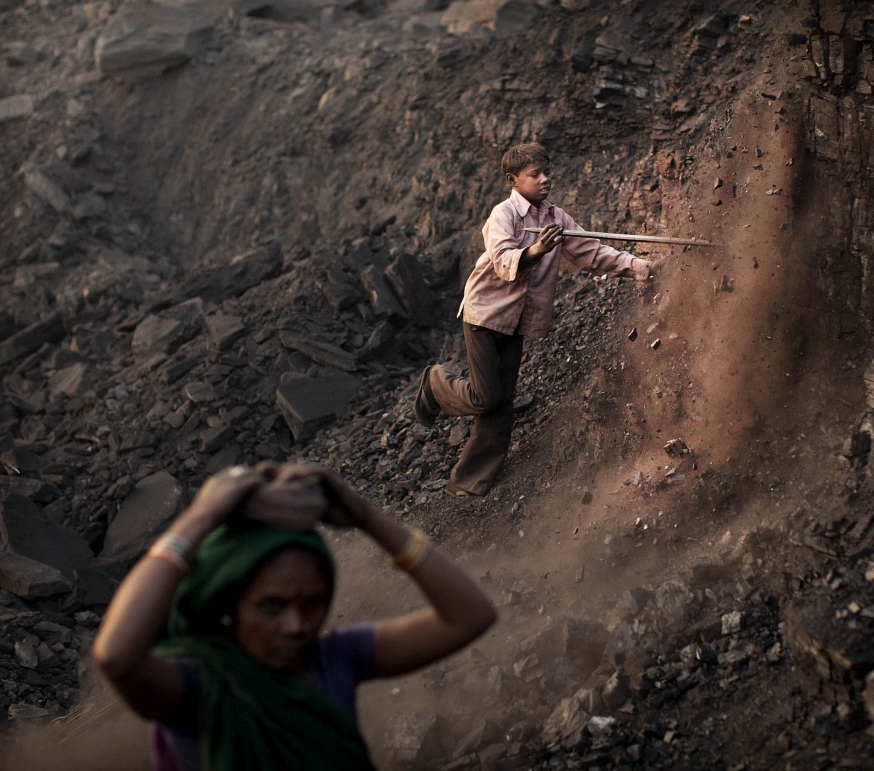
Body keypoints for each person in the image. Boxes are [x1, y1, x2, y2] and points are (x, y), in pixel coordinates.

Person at [92, 462, 496, 771]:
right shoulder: (199, 685)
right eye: (271, 606)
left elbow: (469, 616)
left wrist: (366, 517)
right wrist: (201, 516)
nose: (296, 625)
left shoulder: (333, 658)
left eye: (313, 604)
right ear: (230, 603)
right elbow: (115, 656)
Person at [415, 142, 657, 497]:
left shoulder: (556, 218)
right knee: (485, 397)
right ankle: (436, 382)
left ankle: (470, 480)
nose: (545, 180)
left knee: (503, 399)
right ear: (514, 180)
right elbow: (501, 260)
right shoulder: (504, 215)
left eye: (547, 173)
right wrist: (537, 250)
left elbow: (591, 251)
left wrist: (639, 267)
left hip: (517, 321)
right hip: (485, 314)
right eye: (535, 175)